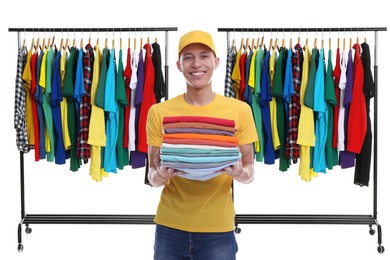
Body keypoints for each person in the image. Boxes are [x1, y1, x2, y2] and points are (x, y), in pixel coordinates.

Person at [146, 30, 258, 259]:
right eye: (188, 57)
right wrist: (162, 176)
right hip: (169, 228)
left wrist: (238, 171)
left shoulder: (240, 110)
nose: (196, 64)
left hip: (219, 230)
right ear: (178, 65)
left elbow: (250, 172)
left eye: (204, 56)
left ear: (216, 62)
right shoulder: (158, 112)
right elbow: (152, 175)